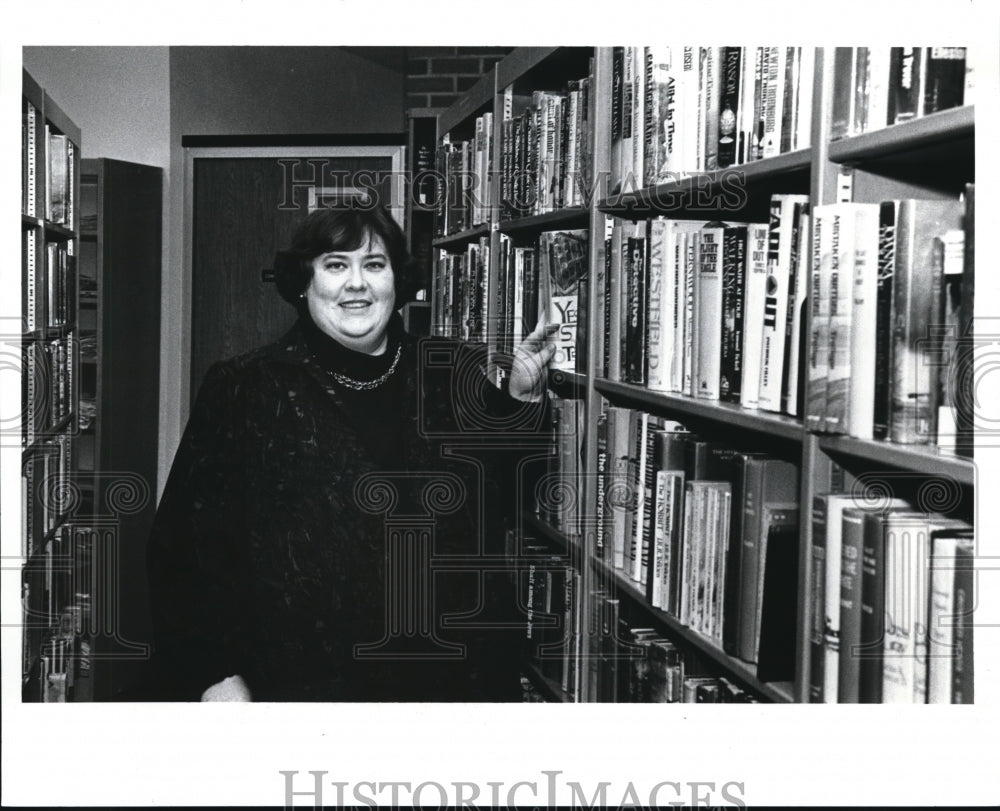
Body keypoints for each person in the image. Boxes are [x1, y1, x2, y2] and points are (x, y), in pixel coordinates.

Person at [146, 206, 556, 701]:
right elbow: (183, 549)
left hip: (455, 680)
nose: (357, 284)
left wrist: (522, 398)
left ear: (397, 281)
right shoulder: (244, 387)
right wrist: (215, 675)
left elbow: (510, 502)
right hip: (300, 684)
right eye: (336, 265)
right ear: (305, 281)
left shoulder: (453, 372)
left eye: (375, 265)